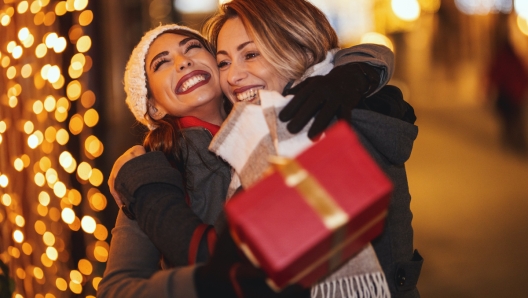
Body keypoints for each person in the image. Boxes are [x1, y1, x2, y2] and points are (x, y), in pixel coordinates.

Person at [99, 19, 397, 298]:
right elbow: (117, 287)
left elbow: (329, 61)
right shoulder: (151, 170)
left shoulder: (279, 123)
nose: (183, 61)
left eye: (192, 48)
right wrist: (204, 284)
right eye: (162, 63)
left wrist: (359, 72)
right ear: (153, 107)